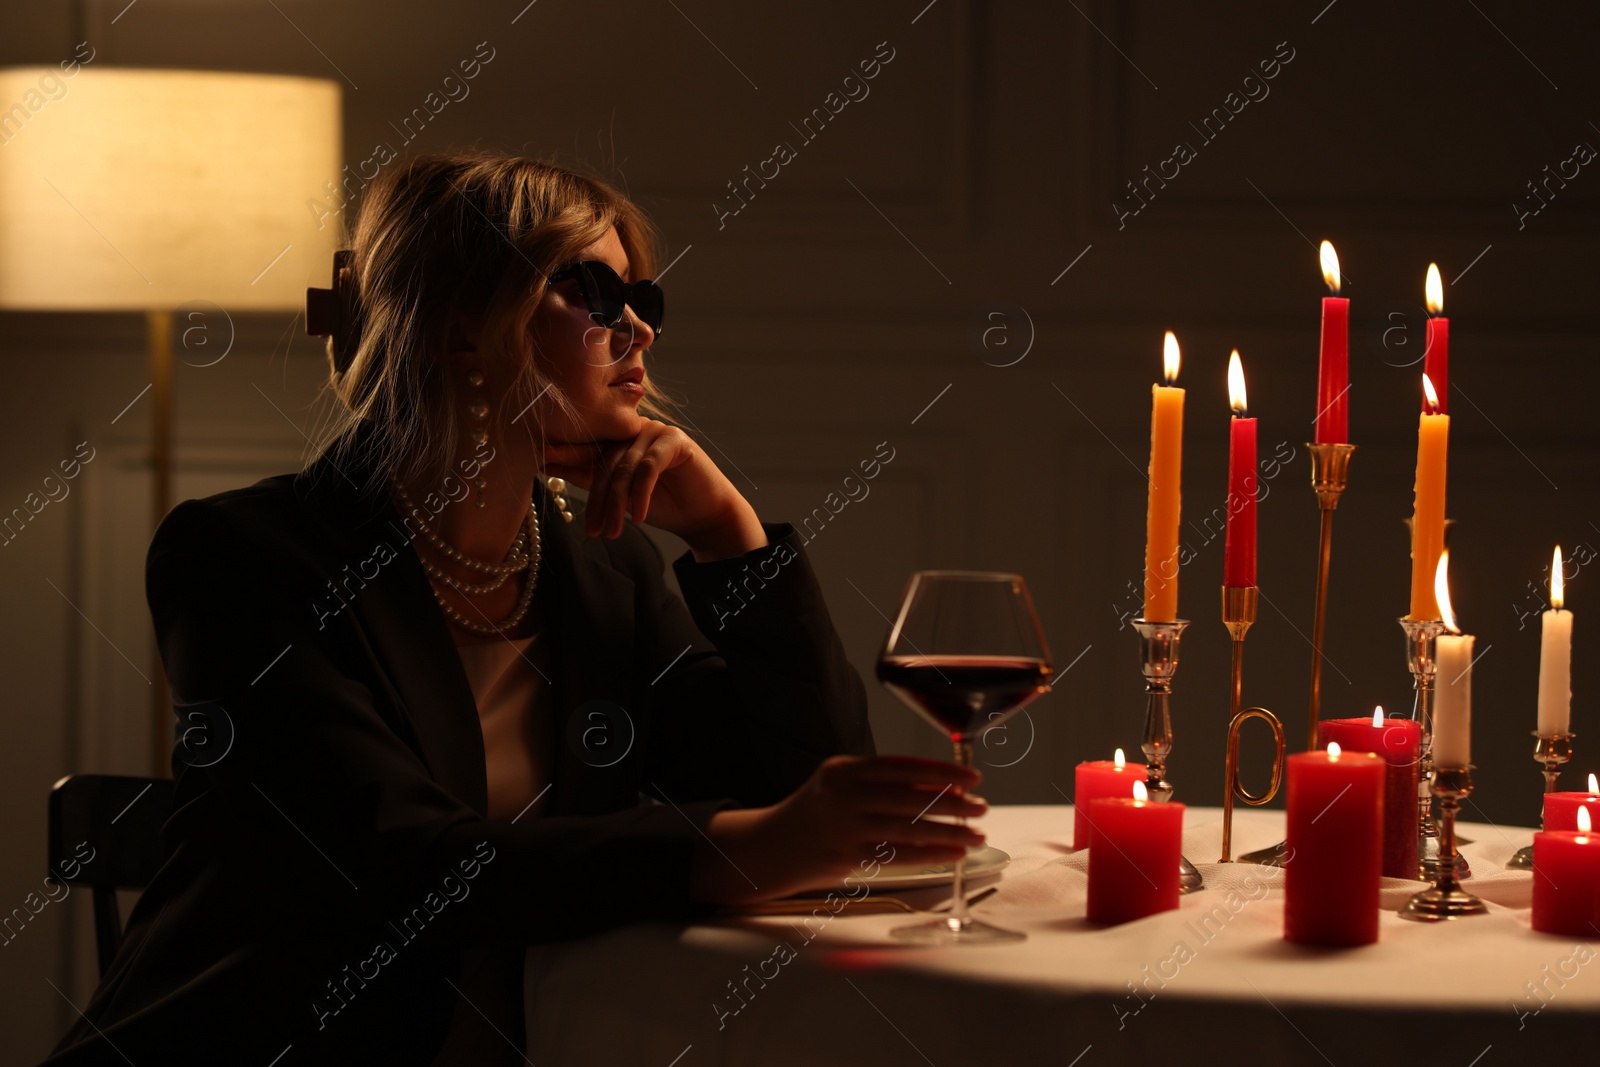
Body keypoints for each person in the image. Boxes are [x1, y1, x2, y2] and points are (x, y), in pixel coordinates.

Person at [41, 152, 984, 1067]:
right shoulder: (245, 560)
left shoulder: (598, 572)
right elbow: (404, 866)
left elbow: (809, 787)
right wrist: (735, 850)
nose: (640, 333)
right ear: (460, 328)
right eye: (598, 295)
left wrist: (729, 537)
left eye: (642, 301)